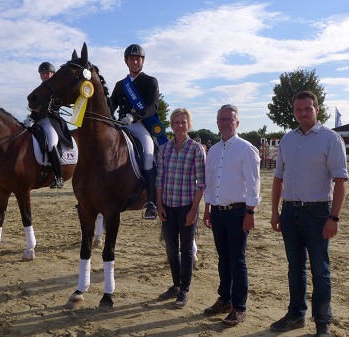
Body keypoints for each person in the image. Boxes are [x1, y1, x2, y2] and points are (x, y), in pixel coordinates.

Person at [270, 91, 348, 337]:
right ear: (294, 111)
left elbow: (341, 180)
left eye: (307, 109)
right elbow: (278, 178)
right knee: (295, 267)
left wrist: (333, 217)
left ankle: (322, 322)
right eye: (298, 110)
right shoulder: (287, 140)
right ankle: (296, 314)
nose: (303, 113)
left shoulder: (331, 139)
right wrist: (275, 211)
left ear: (317, 108)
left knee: (320, 269)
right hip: (290, 211)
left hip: (317, 213)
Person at [202, 104, 261, 327]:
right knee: (223, 259)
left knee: (237, 260)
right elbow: (210, 183)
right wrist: (208, 209)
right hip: (217, 212)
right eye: (221, 119)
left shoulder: (246, 149)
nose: (224, 122)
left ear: (237, 123)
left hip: (238, 213)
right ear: (217, 122)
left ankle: (239, 307)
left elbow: (254, 184)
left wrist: (251, 212)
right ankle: (224, 299)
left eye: (229, 119)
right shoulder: (214, 150)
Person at [156, 108, 206, 309]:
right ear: (171, 124)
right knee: (170, 249)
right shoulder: (165, 149)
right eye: (176, 122)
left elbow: (200, 183)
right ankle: (176, 284)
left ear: (189, 124)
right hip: (167, 205)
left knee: (185, 249)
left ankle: (185, 289)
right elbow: (159, 179)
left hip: (187, 206)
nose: (179, 126)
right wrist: (159, 204)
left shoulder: (196, 149)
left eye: (183, 122)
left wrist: (194, 210)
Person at [110, 44, 160, 219]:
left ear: (143, 61)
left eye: (138, 58)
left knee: (147, 157)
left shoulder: (150, 81)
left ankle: (151, 202)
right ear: (126, 61)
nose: (135, 61)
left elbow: (153, 106)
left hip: (140, 126)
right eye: (131, 59)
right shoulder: (119, 85)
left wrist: (134, 116)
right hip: (121, 125)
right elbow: (111, 106)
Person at [32, 61, 73, 189]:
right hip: (37, 120)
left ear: (52, 74)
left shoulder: (57, 89)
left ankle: (58, 176)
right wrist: (31, 118)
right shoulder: (39, 90)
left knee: (51, 143)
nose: (44, 75)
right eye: (42, 73)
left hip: (51, 121)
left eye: (47, 73)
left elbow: (52, 107)